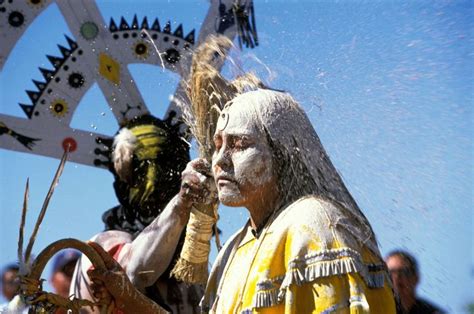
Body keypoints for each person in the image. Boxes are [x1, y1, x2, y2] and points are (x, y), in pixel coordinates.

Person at [88, 87, 398, 313]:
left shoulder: (314, 224)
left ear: (283, 154)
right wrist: (128, 297)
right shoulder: (232, 250)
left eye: (241, 144)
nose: (219, 159)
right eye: (218, 144)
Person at [71, 113, 203, 313]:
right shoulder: (102, 246)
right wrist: (182, 203)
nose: (153, 185)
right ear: (123, 183)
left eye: (166, 168)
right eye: (141, 172)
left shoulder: (192, 274)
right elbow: (136, 273)